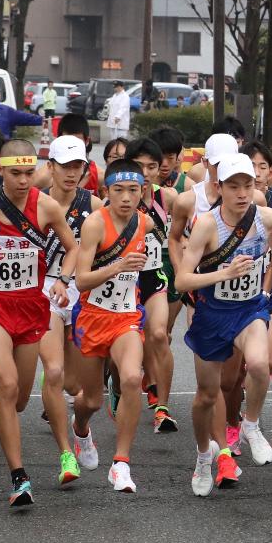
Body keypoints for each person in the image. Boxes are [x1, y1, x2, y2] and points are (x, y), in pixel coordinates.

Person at [0, 137, 82, 504]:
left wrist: (62, 280)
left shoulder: (46, 208)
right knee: (9, 383)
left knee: (21, 399)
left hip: (31, 306)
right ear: (0, 170)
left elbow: (73, 248)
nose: (24, 180)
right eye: (15, 173)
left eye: (30, 172)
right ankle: (18, 476)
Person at [175, 154, 272, 497]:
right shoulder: (207, 226)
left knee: (260, 364)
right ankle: (202, 456)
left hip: (248, 309)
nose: (242, 193)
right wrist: (223, 273)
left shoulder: (264, 216)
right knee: (205, 397)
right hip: (212, 315)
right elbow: (182, 281)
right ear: (218, 188)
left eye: (248, 185)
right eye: (233, 186)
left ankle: (251, 425)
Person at [66, 158, 155, 493]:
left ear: (142, 191)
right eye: (118, 190)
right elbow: (83, 279)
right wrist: (117, 266)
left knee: (132, 378)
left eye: (133, 190)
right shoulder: (95, 225)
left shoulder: (145, 224)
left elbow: (152, 269)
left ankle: (121, 463)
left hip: (127, 317)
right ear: (106, 192)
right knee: (89, 398)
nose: (126, 197)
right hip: (91, 317)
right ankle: (81, 430)